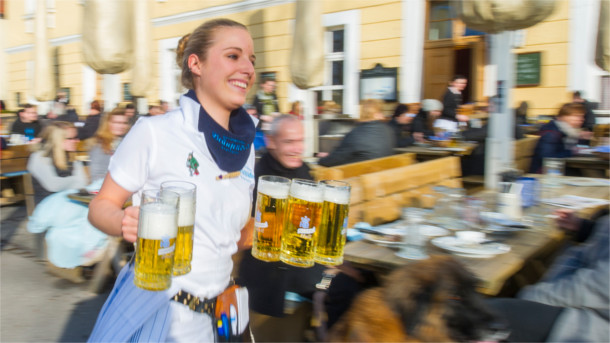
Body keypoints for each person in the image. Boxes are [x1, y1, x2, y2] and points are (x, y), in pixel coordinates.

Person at [87, 18, 257, 342]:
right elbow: (99, 206)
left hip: (219, 315)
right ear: (196, 64)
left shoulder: (246, 149)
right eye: (234, 56)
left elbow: (224, 236)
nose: (248, 67)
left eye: (251, 59)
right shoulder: (155, 132)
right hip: (157, 310)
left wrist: (260, 233)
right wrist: (122, 220)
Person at [237, 115, 325, 320]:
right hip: (271, 278)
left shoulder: (304, 171)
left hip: (303, 269)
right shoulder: (257, 178)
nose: (298, 149)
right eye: (289, 142)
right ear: (270, 141)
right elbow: (248, 235)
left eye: (301, 141)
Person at [488, 208, 609, 342]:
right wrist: (587, 229)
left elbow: (600, 286)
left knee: (488, 316)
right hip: (589, 301)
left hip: (596, 324)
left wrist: (534, 297)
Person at [26, 121, 107, 271]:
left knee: (98, 208)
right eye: (71, 138)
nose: (77, 141)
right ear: (58, 140)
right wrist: (74, 182)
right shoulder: (38, 157)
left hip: (69, 202)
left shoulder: (70, 156)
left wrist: (74, 183)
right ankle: (89, 250)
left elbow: (81, 182)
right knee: (94, 212)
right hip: (48, 207)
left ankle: (91, 250)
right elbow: (53, 185)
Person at [317, 99, 395, 167]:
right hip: (379, 175)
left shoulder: (356, 134)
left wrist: (321, 160)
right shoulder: (388, 130)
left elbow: (332, 161)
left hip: (357, 179)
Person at [529, 103, 593, 173]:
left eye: (582, 117)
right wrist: (573, 151)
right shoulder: (551, 132)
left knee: (592, 171)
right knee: (591, 171)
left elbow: (578, 149)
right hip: (546, 173)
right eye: (576, 116)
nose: (581, 119)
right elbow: (547, 157)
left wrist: (583, 140)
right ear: (563, 116)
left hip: (562, 169)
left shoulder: (569, 131)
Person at [88, 107, 130, 182]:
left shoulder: (126, 141)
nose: (121, 126)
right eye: (116, 122)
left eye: (124, 123)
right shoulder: (99, 145)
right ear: (107, 124)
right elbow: (96, 176)